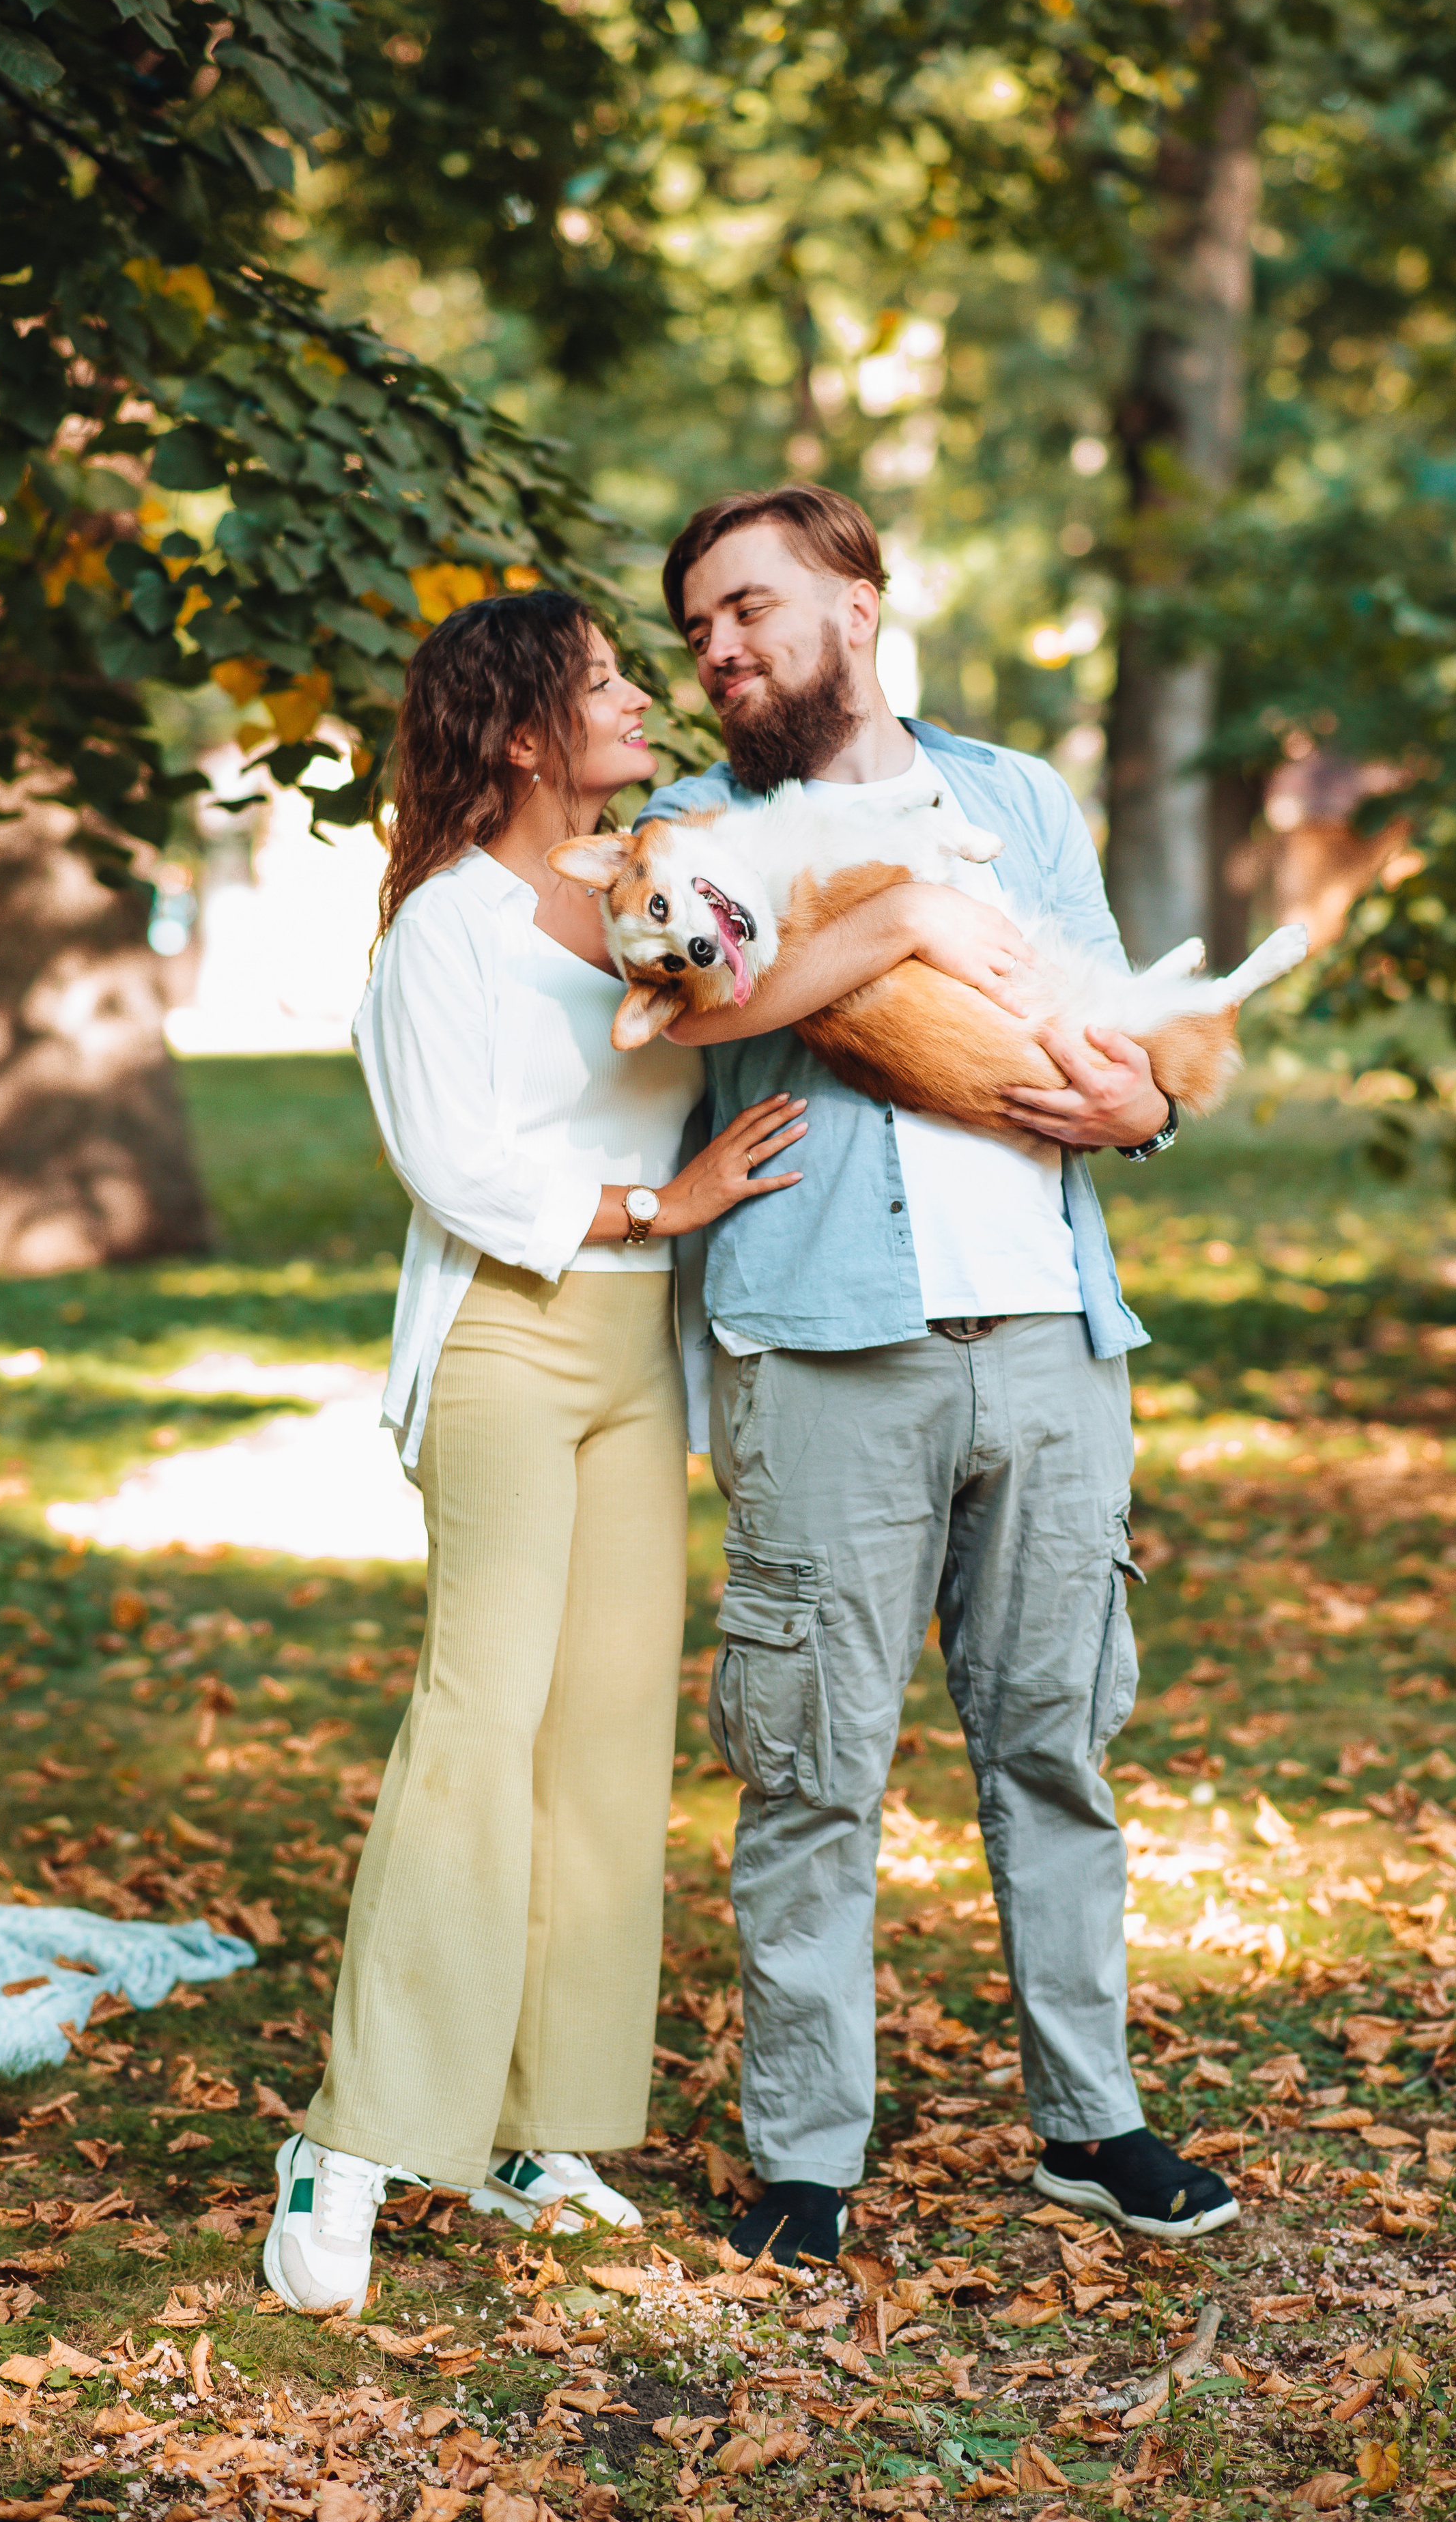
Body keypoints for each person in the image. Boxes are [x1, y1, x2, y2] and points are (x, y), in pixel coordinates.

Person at [638, 485, 1240, 2257]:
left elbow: (1111, 1024)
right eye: (696, 630)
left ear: (855, 598)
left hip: (1051, 1333)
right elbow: (699, 995)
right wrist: (897, 919)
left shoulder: (1019, 799)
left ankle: (1093, 2120)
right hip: (827, 1348)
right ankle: (807, 2161)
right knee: (816, 1763)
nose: (724, 647)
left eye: (751, 605)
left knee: (1057, 1739)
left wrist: (1155, 1106)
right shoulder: (696, 823)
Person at [261, 589, 822, 2316]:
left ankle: (530, 2124)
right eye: (605, 683)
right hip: (508, 1329)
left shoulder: (650, 885)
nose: (645, 697)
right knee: (477, 1721)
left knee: (600, 1741)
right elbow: (454, 1166)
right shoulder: (441, 926)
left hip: (634, 1350)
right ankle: (349, 2141)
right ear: (518, 734)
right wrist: (667, 1198)